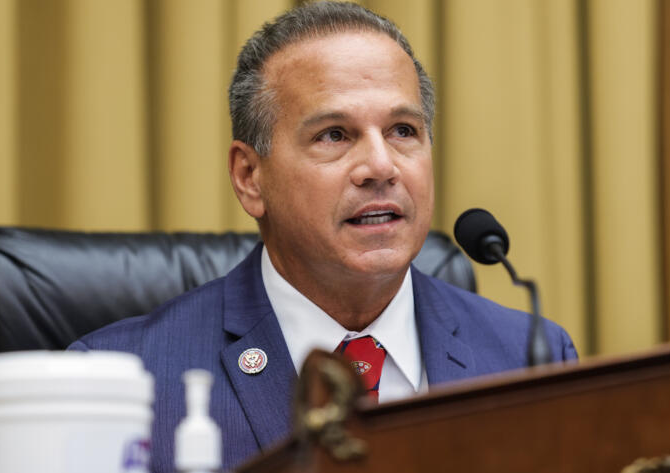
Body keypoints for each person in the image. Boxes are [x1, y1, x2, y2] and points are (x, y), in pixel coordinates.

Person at [69, 2, 577, 471]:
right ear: (250, 176)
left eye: (403, 130)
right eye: (334, 135)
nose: (381, 166)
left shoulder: (530, 357)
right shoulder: (123, 386)